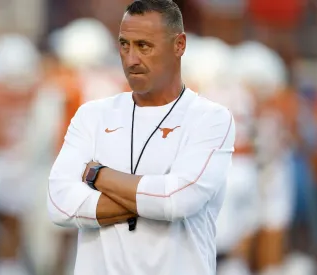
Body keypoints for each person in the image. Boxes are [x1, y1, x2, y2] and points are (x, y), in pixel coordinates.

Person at [47, 1, 236, 274]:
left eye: (144, 46)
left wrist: (97, 175)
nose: (131, 59)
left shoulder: (210, 117)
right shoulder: (92, 114)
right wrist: (151, 199)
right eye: (125, 45)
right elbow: (58, 205)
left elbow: (177, 199)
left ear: (179, 45)